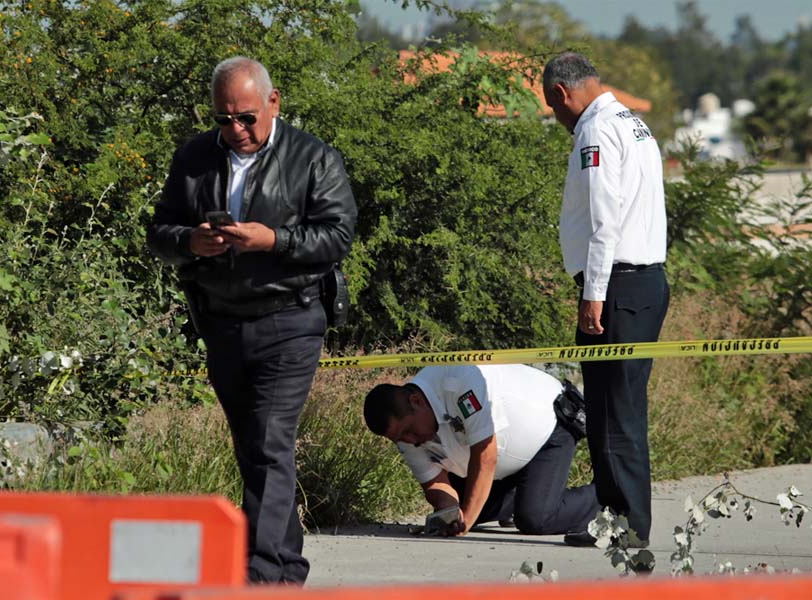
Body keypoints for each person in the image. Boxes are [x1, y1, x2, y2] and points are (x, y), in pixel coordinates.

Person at [147, 57, 357, 584]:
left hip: (290, 318)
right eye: (223, 119)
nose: (235, 130)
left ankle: (260, 577)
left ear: (273, 102)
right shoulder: (194, 157)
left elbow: (337, 236)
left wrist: (275, 240)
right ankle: (286, 569)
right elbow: (158, 233)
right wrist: (188, 242)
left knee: (269, 443)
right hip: (221, 321)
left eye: (245, 118)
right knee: (255, 448)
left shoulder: (313, 158)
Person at [542, 52, 669, 548]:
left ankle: (626, 526)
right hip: (643, 282)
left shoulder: (595, 131)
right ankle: (617, 517)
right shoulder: (632, 123)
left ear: (560, 94)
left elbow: (604, 219)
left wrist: (593, 294)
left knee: (614, 413)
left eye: (553, 108)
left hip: (617, 286)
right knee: (618, 407)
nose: (557, 119)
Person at [363, 364, 600, 537]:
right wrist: (450, 516)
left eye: (408, 431)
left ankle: (610, 495)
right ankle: (528, 492)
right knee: (468, 512)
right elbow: (434, 484)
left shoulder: (459, 383)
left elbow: (486, 457)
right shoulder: (404, 430)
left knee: (536, 519)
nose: (410, 441)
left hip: (549, 427)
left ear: (416, 401)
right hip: (507, 458)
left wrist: (464, 523)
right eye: (399, 439)